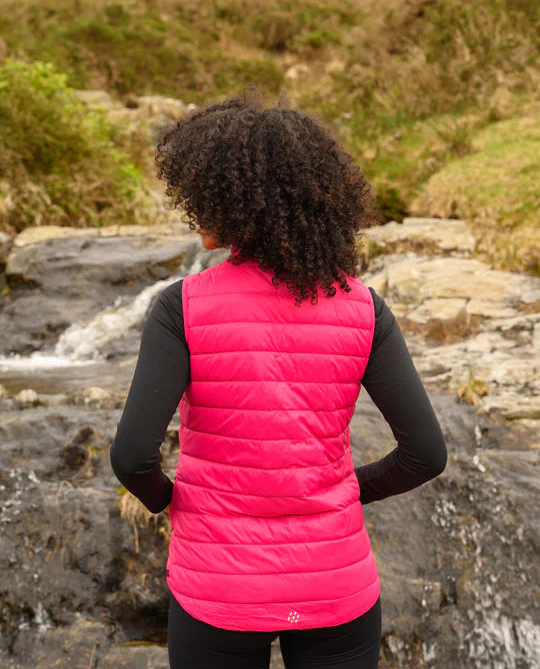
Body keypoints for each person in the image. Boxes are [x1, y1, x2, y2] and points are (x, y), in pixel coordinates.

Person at [109, 84, 447, 669]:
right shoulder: (364, 307)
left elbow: (133, 457)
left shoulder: (181, 306)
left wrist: (174, 503)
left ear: (230, 203)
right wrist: (341, 495)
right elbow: (426, 454)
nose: (197, 219)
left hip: (219, 592)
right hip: (335, 591)